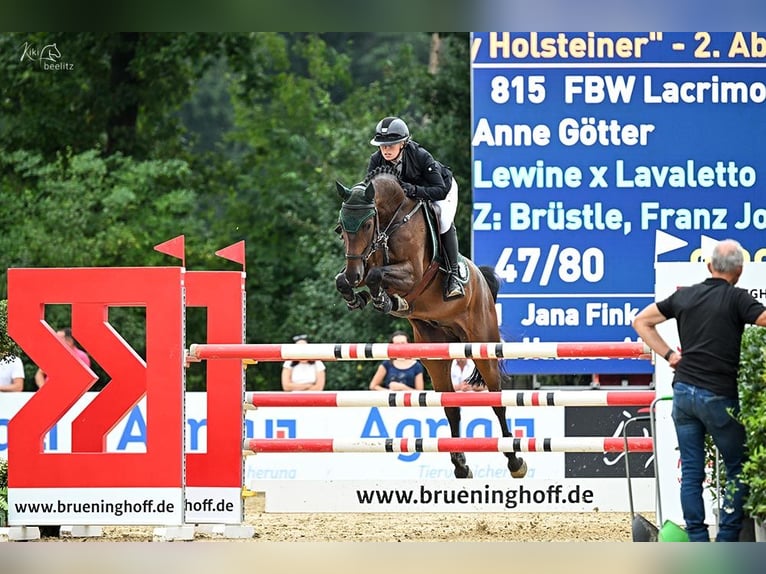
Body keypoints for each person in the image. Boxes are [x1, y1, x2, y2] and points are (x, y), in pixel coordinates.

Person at [632, 239, 766, 542]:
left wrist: (670, 356)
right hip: (718, 394)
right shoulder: (738, 299)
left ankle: (697, 541)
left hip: (683, 393)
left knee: (692, 473)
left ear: (709, 266)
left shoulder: (686, 296)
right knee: (737, 467)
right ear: (740, 271)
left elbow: (641, 321)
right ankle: (728, 538)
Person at [368, 116, 464, 299]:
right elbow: (372, 192)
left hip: (441, 189)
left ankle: (453, 275)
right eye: (382, 145)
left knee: (443, 220)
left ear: (403, 143)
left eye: (391, 145)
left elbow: (440, 190)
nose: (385, 150)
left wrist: (414, 190)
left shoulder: (420, 156)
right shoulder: (376, 160)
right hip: (407, 199)